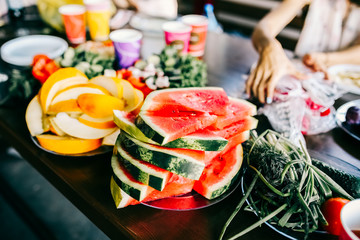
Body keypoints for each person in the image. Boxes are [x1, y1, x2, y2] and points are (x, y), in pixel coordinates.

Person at [246, 0, 360, 104]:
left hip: (350, 93)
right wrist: (269, 47)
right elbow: (263, 28)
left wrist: (325, 59)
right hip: (304, 85)